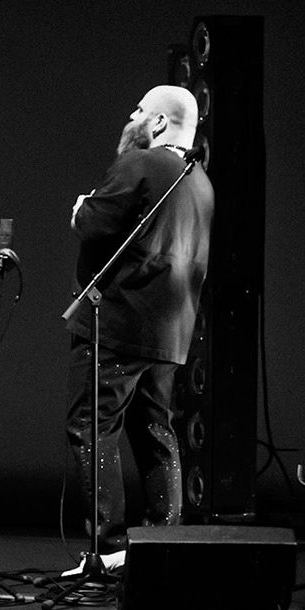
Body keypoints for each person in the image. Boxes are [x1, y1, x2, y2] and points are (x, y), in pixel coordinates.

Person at [65, 84, 213, 568]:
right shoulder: (201, 183)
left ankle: (107, 548)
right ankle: (162, 546)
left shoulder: (142, 164)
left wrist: (83, 205)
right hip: (169, 334)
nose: (131, 114)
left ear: (158, 124)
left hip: (120, 324)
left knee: (91, 426)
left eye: (140, 109)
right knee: (155, 430)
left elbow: (92, 224)